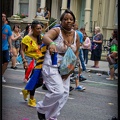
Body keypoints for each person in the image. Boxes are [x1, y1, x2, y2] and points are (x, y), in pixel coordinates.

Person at [36, 9, 80, 120]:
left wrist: (70, 69)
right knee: (58, 91)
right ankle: (41, 108)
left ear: (74, 21)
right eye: (65, 19)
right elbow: (45, 37)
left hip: (67, 65)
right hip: (52, 63)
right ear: (61, 21)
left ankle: (51, 117)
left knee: (65, 94)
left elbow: (76, 52)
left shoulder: (76, 35)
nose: (68, 21)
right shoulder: (57, 30)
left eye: (71, 19)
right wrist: (51, 43)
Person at [21, 20, 46, 107]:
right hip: (29, 60)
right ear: (32, 29)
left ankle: (27, 90)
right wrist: (24, 61)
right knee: (34, 79)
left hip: (39, 60)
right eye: (37, 28)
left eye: (40, 28)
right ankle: (31, 99)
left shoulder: (42, 37)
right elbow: (22, 50)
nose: (39, 30)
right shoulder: (26, 38)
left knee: (40, 81)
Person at [2, 13, 12, 83]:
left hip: (5, 48)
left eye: (4, 16)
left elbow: (9, 38)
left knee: (6, 62)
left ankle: (1, 75)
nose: (3, 18)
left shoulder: (8, 27)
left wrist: (11, 47)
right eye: (2, 16)